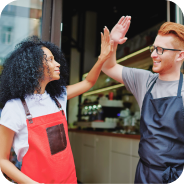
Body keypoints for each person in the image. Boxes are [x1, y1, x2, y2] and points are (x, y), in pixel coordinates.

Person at [0, 25, 125, 184]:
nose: (57, 64)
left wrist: (102, 57)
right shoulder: (15, 107)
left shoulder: (58, 97)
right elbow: (2, 160)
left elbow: (88, 82)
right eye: (51, 60)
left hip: (68, 179)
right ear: (35, 67)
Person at [103, 17, 184, 183]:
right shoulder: (144, 81)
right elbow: (108, 67)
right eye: (153, 48)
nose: (153, 54)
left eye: (160, 50)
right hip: (145, 174)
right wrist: (113, 42)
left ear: (180, 56)